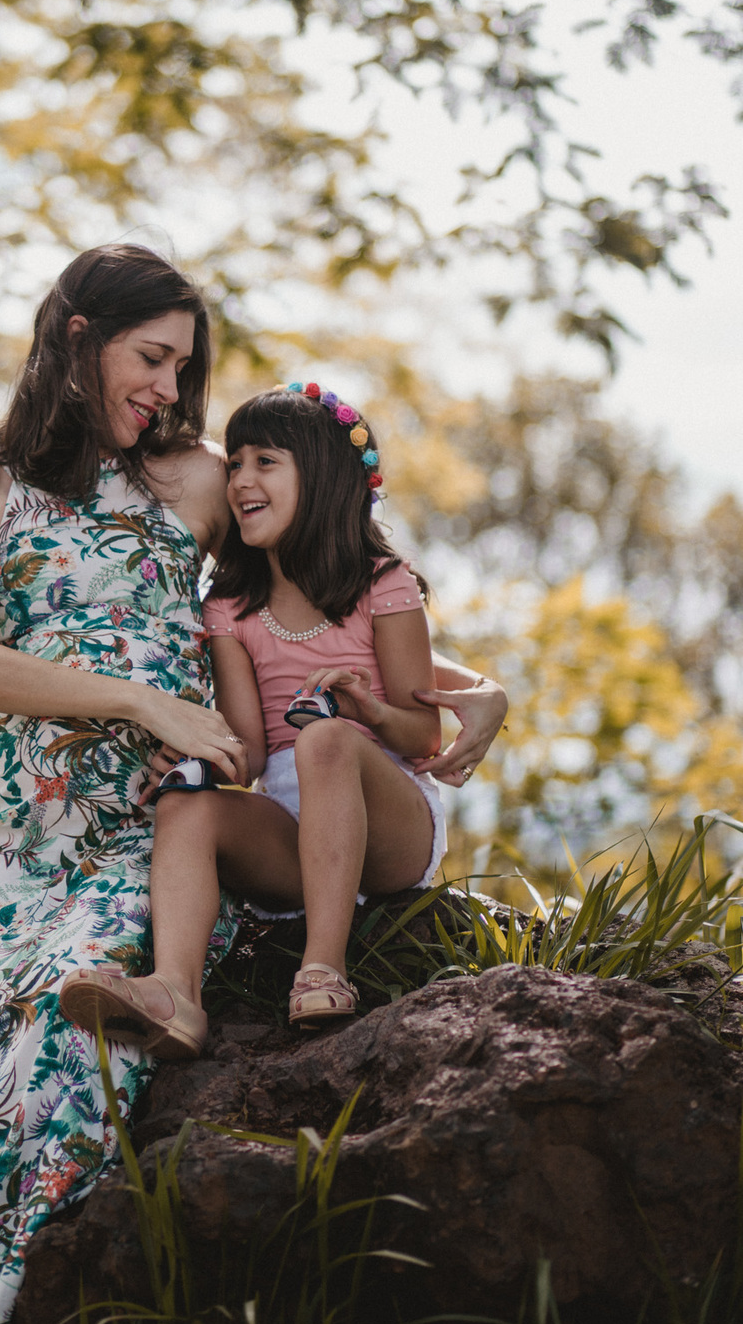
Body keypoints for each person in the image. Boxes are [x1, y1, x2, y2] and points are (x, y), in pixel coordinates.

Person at [0, 276, 506, 1324]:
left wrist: (473, 686)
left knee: (65, 1032)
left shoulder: (194, 479)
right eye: (152, 358)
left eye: (184, 367)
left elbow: (317, 593)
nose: (169, 387)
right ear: (80, 336)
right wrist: (142, 699)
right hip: (10, 831)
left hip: (153, 828)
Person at [59, 380, 499, 1052]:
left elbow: (421, 735)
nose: (240, 479)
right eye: (235, 462)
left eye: (265, 461)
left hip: (390, 828)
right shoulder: (230, 607)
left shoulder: (383, 583)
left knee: (324, 740)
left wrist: (367, 710)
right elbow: (254, 753)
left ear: (321, 475)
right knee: (186, 805)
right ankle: (175, 993)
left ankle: (323, 967)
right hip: (295, 841)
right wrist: (199, 754)